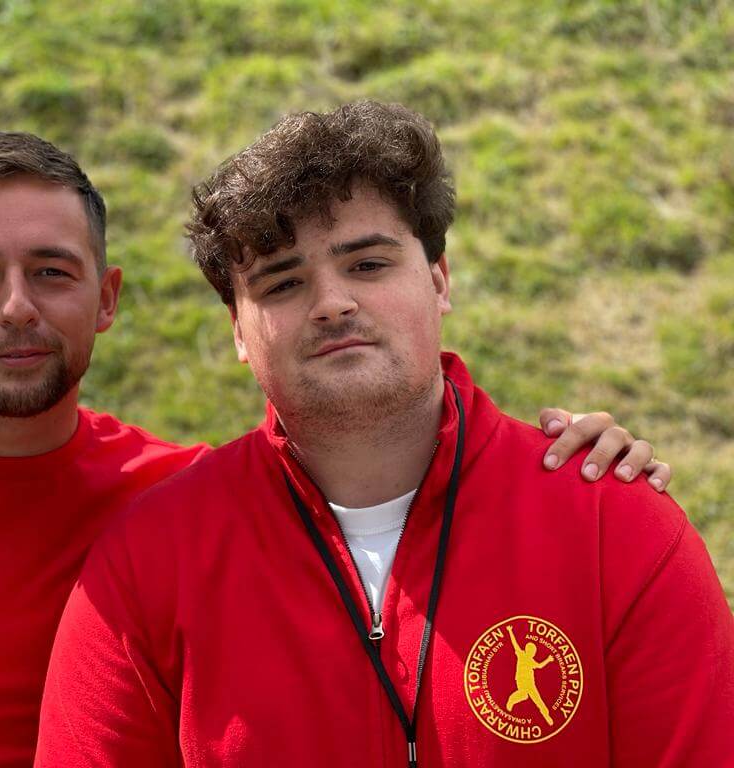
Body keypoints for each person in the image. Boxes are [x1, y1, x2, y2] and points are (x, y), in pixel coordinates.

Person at [0, 132, 666, 768]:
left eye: (52, 271)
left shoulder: (178, 500)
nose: (16, 307)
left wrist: (592, 470)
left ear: (109, 298)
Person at [36, 103, 734, 767]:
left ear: (439, 281)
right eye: (282, 284)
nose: (334, 302)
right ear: (238, 334)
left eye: (368, 265)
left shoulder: (616, 525)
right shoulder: (147, 564)